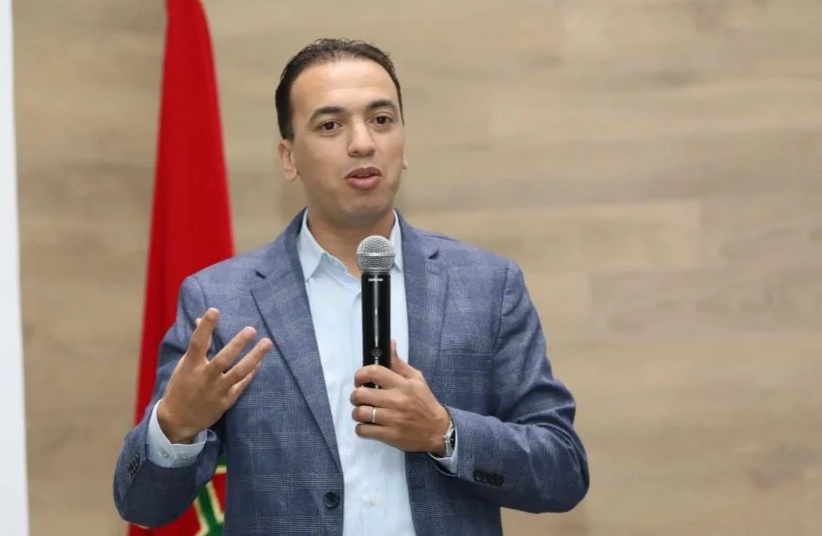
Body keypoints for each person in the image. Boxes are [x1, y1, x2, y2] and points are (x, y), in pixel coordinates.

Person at [114, 38, 589, 535]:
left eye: (381, 120)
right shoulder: (221, 302)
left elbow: (563, 471)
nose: (363, 143)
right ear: (289, 158)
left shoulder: (487, 286)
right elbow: (143, 505)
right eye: (330, 125)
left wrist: (444, 432)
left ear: (404, 144)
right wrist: (176, 425)